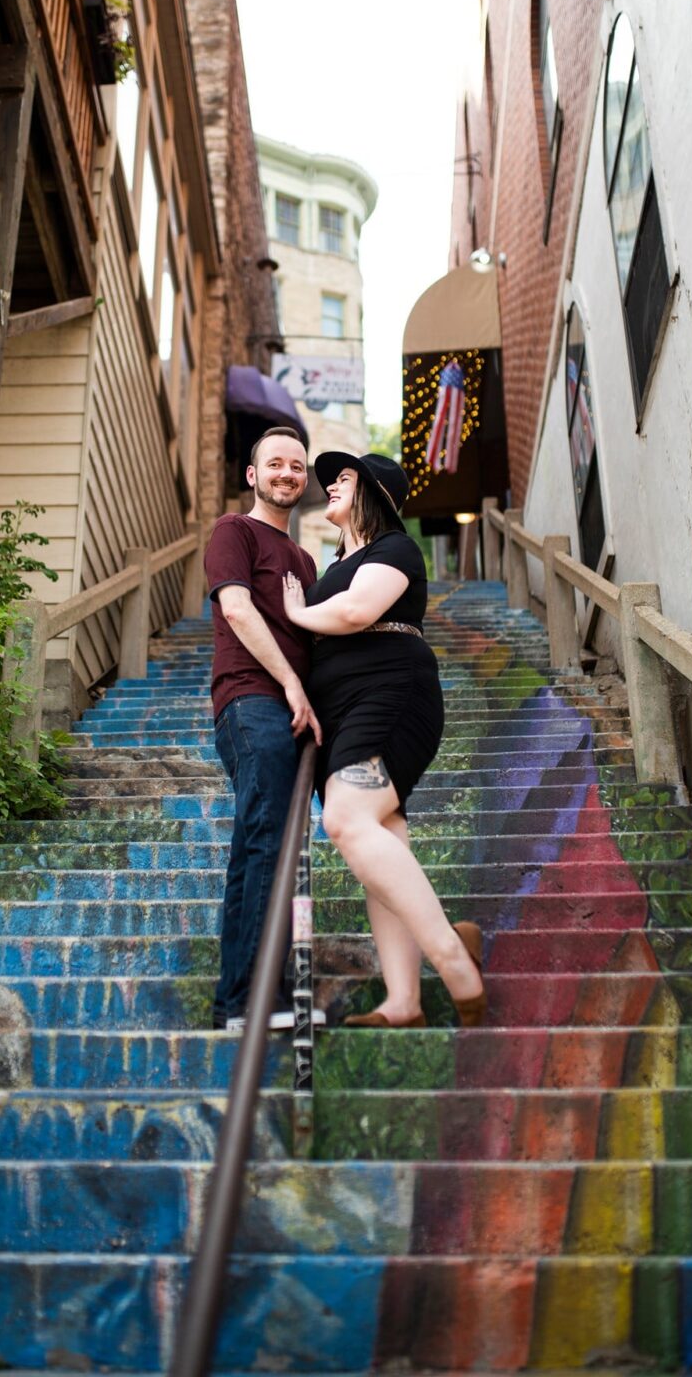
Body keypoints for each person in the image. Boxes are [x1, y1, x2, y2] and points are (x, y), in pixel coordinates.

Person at [282, 451, 486, 1028]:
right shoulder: (335, 564)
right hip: (341, 711)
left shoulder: (394, 547)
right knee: (382, 837)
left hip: (390, 695)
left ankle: (452, 955)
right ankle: (403, 1003)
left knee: (346, 820)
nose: (329, 486)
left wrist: (298, 613)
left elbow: (356, 612)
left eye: (343, 479)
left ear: (374, 494)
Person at [204, 424, 325, 1033]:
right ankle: (258, 1000)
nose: (286, 474)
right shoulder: (235, 531)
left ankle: (241, 999)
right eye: (274, 464)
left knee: (263, 848)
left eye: (297, 467)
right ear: (253, 475)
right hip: (252, 703)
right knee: (270, 843)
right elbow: (236, 608)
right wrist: (291, 684)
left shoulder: (304, 560)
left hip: (291, 713)